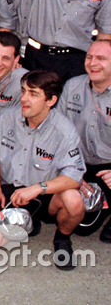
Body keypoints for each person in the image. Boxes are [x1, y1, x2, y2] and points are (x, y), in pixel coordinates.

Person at [0, 71, 86, 270]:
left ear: (51, 100)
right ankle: (26, 223)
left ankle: (62, 239)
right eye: (23, 91)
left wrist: (37, 189)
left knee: (74, 201)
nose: (24, 99)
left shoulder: (65, 130)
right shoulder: (6, 117)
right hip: (11, 189)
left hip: (45, 193)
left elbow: (74, 176)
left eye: (33, 94)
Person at [57, 40, 111, 242]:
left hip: (109, 166)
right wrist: (71, 173)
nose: (93, 63)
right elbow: (57, 134)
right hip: (79, 163)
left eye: (101, 58)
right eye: (89, 57)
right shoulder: (73, 86)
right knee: (82, 226)